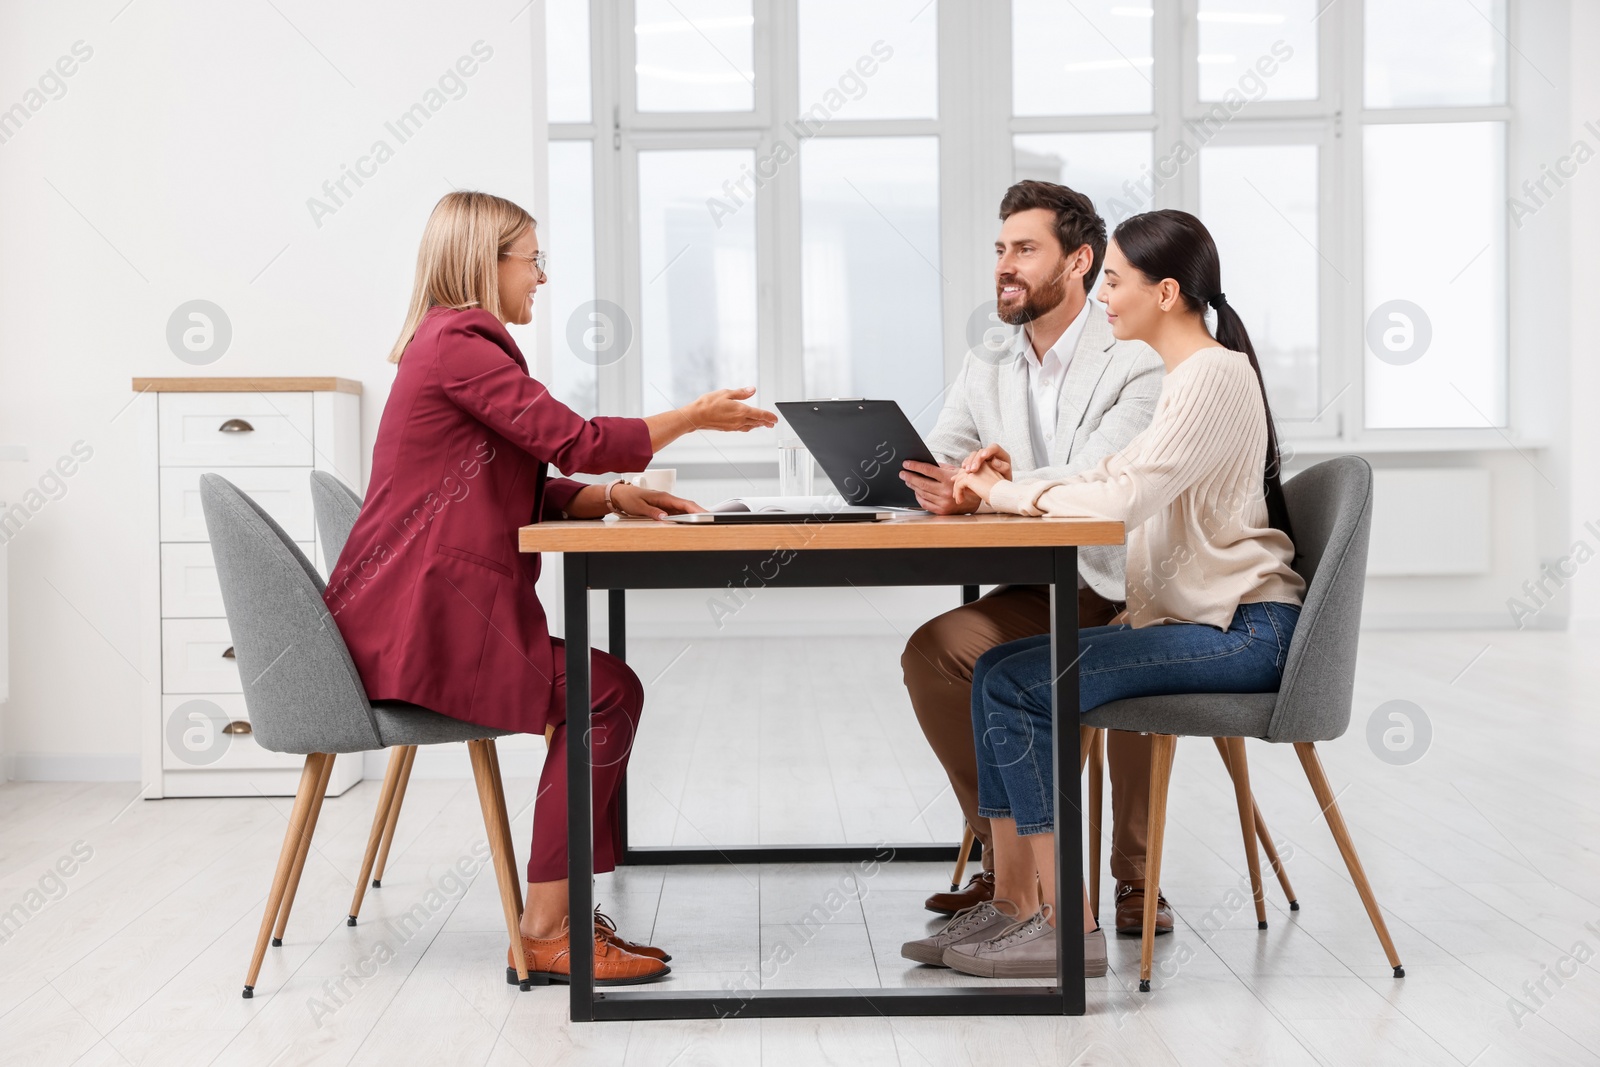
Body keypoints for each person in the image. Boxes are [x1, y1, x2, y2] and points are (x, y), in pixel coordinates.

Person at [323, 191, 776, 985]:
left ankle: (561, 914)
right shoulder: (462, 342)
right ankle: (546, 928)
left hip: (407, 617)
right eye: (532, 260)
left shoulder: (444, 344)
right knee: (605, 693)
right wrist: (693, 417)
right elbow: (576, 440)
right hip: (422, 628)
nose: (540, 278)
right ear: (484, 261)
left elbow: (494, 476)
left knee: (604, 689)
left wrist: (608, 498)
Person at [902, 208, 1306, 979]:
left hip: (1242, 631)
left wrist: (1003, 495)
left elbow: (1120, 501)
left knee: (1019, 679)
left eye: (1114, 282)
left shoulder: (1213, 376)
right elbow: (1103, 479)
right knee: (1000, 669)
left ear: (1165, 292)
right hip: (1210, 624)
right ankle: (1019, 904)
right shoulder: (1195, 376)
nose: (1105, 297)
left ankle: (1064, 922)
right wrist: (996, 490)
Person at [897, 181, 1170, 935]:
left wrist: (986, 487)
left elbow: (1097, 478)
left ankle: (1134, 879)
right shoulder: (989, 354)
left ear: (1079, 260)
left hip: (1123, 582)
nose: (1004, 267)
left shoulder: (1136, 356)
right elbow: (950, 455)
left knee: (1121, 649)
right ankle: (1011, 856)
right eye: (999, 250)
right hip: (1038, 578)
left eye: (1025, 249)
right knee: (937, 652)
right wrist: (940, 481)